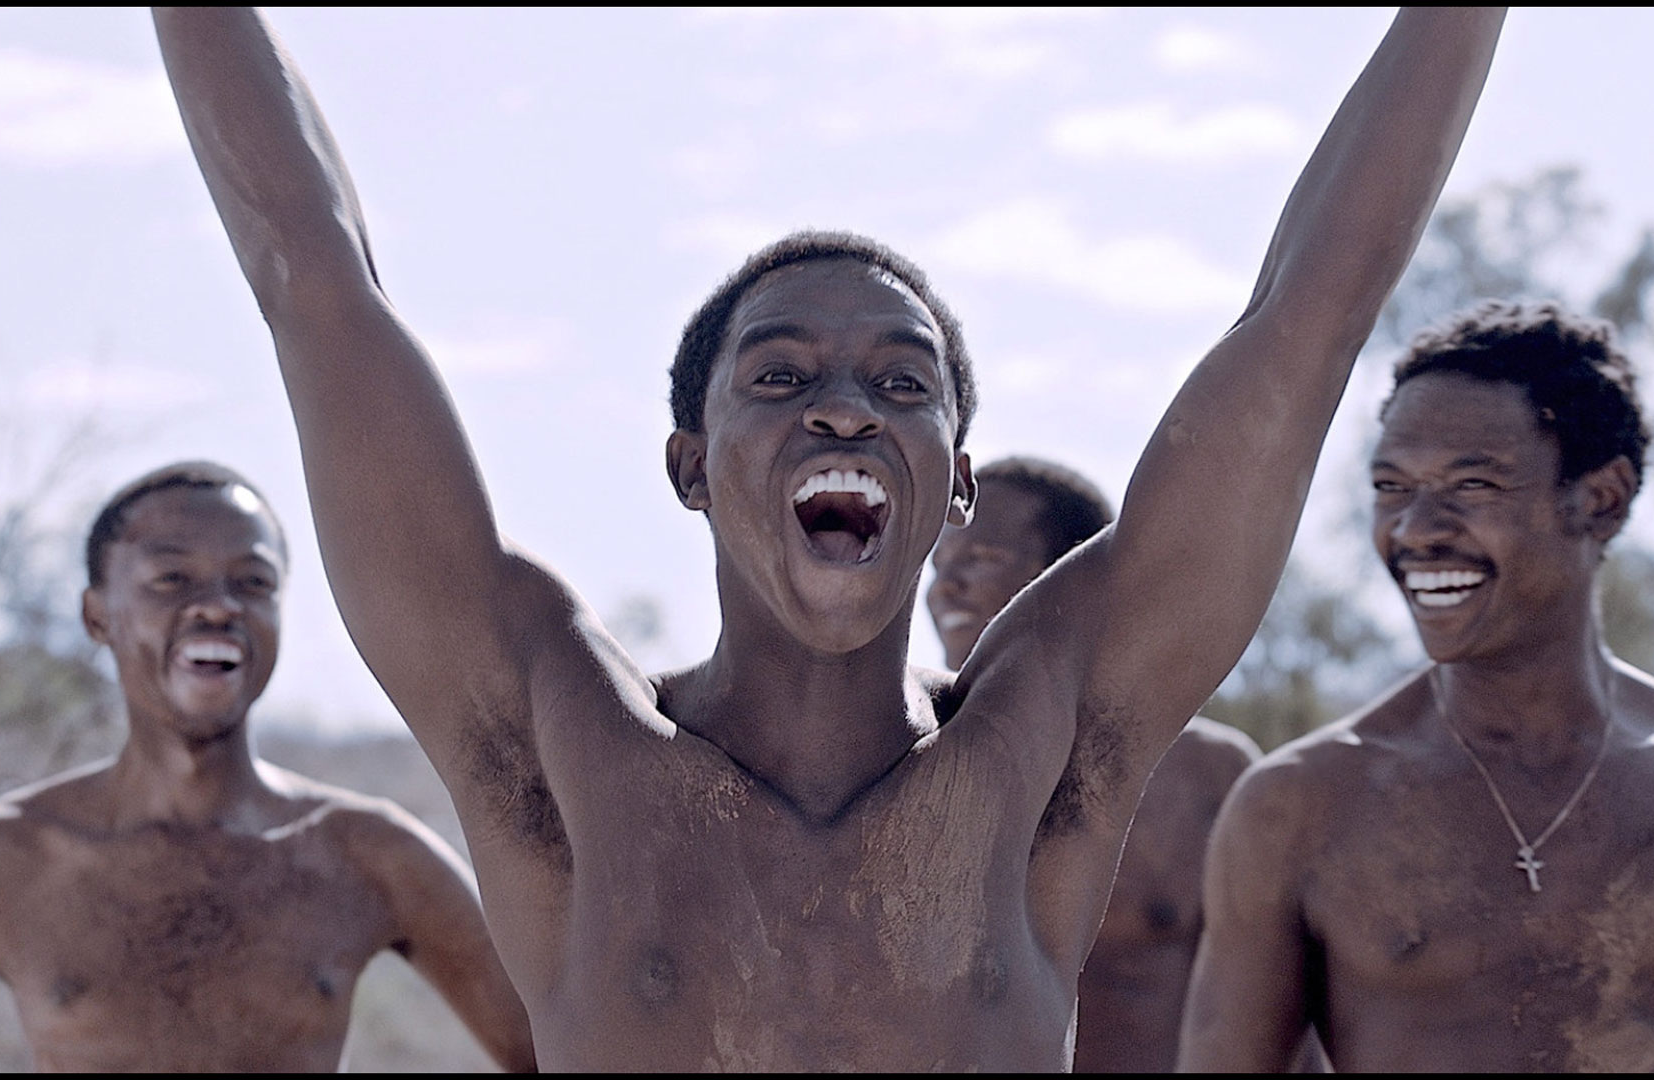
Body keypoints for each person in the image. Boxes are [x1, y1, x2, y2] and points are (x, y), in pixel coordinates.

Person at [152, 6, 1504, 1069]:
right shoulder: (558, 741)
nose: (844, 409)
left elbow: (1310, 313)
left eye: (901, 383)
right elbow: (315, 285)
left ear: (956, 479)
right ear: (690, 465)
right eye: (782, 379)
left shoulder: (1041, 756)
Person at [1177, 300, 1654, 1073]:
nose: (1416, 529)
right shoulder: (1301, 805)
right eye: (1392, 487)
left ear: (1600, 499)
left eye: (1472, 485)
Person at [0, 461, 538, 1073]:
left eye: (253, 582)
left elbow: (558, 1048)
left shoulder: (370, 855)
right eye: (171, 578)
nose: (217, 607)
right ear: (98, 617)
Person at [927, 456, 1259, 1073]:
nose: (945, 586)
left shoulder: (1207, 776)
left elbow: (1282, 1019)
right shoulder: (909, 766)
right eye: (939, 564)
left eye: (983, 558)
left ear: (1071, 579)